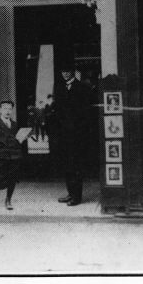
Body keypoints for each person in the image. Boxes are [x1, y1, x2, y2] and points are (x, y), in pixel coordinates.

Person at [51, 65, 90, 206]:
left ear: (73, 72)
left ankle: (77, 197)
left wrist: (78, 128)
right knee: (67, 164)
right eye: (63, 71)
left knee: (76, 166)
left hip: (77, 134)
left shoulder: (82, 87)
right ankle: (70, 193)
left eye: (67, 71)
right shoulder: (60, 87)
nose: (65, 74)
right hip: (64, 133)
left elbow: (85, 112)